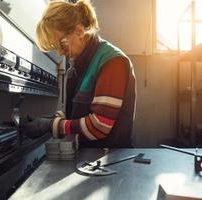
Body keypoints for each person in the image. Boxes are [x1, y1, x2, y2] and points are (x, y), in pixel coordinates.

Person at [21, 0, 136, 148]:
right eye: (55, 48)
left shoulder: (112, 62)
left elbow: (99, 126)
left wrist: (50, 126)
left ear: (79, 31)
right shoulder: (78, 66)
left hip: (111, 160)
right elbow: (76, 116)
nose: (60, 52)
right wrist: (47, 120)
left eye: (61, 44)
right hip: (92, 158)